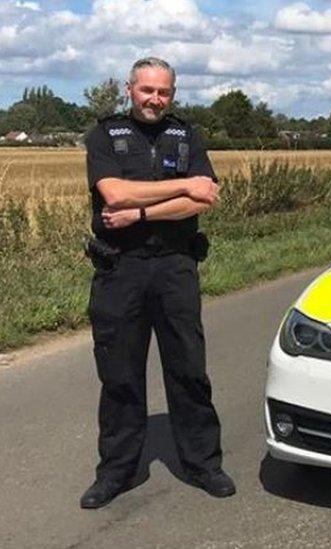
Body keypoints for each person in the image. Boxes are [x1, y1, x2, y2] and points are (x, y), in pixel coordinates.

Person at [80, 57, 235, 509]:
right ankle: (116, 472)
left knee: (188, 369)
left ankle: (204, 463)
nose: (155, 99)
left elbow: (202, 201)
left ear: (173, 93)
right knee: (120, 376)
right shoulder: (106, 134)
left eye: (163, 91)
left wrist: (144, 212)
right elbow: (115, 193)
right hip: (119, 269)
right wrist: (183, 186)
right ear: (130, 89)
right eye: (147, 90)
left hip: (174, 266)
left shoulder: (188, 136)